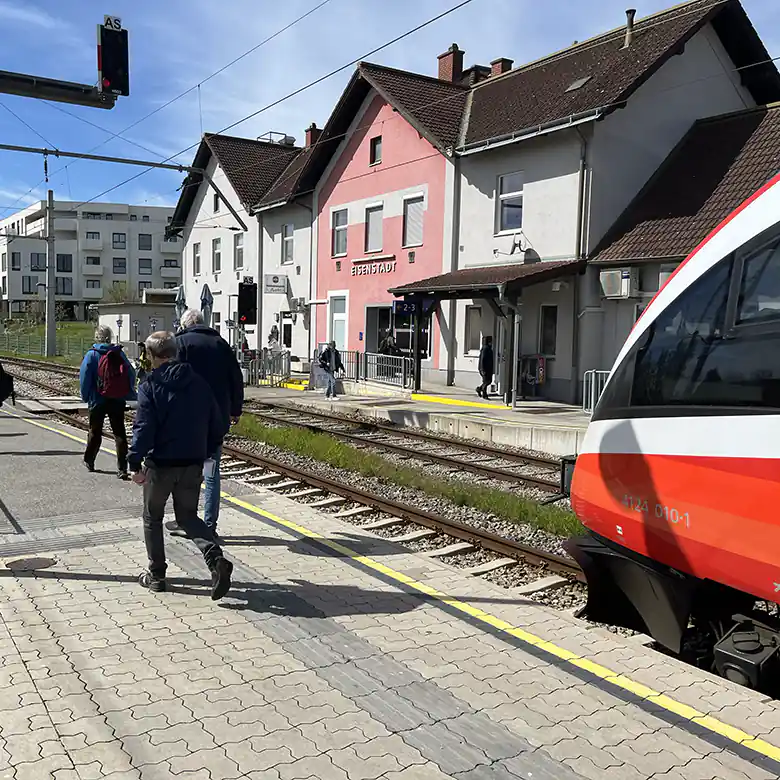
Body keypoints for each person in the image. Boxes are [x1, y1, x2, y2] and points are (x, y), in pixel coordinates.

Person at [128, 331, 233, 599]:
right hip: (192, 464)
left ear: (152, 356)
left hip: (160, 465)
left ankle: (157, 575)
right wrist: (208, 452)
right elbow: (217, 423)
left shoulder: (150, 385)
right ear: (174, 353)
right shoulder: (199, 383)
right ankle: (215, 559)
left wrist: (133, 462)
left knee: (152, 517)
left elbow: (143, 428)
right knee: (188, 516)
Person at [173, 309, 244, 539]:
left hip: (186, 423)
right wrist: (235, 410)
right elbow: (236, 378)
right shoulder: (221, 344)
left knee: (185, 473)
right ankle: (209, 526)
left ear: (185, 325)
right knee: (211, 473)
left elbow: (172, 380)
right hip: (215, 422)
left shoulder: (180, 343)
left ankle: (187, 521)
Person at [79, 325, 136, 478]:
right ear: (109, 337)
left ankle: (89, 460)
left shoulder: (91, 355)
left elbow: (84, 378)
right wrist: (129, 393)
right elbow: (131, 373)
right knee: (119, 433)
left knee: (95, 431)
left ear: (96, 337)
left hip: (97, 399)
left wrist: (86, 397)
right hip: (117, 398)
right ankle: (122, 468)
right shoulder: (118, 353)